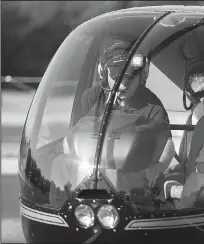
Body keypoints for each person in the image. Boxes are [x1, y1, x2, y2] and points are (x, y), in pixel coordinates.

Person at [51, 41, 175, 203]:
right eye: (116, 77)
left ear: (141, 76)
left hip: (132, 173)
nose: (123, 85)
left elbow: (167, 143)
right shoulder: (91, 98)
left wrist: (157, 167)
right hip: (90, 168)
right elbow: (74, 135)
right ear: (103, 74)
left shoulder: (153, 106)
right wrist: (74, 161)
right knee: (59, 163)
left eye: (130, 77)